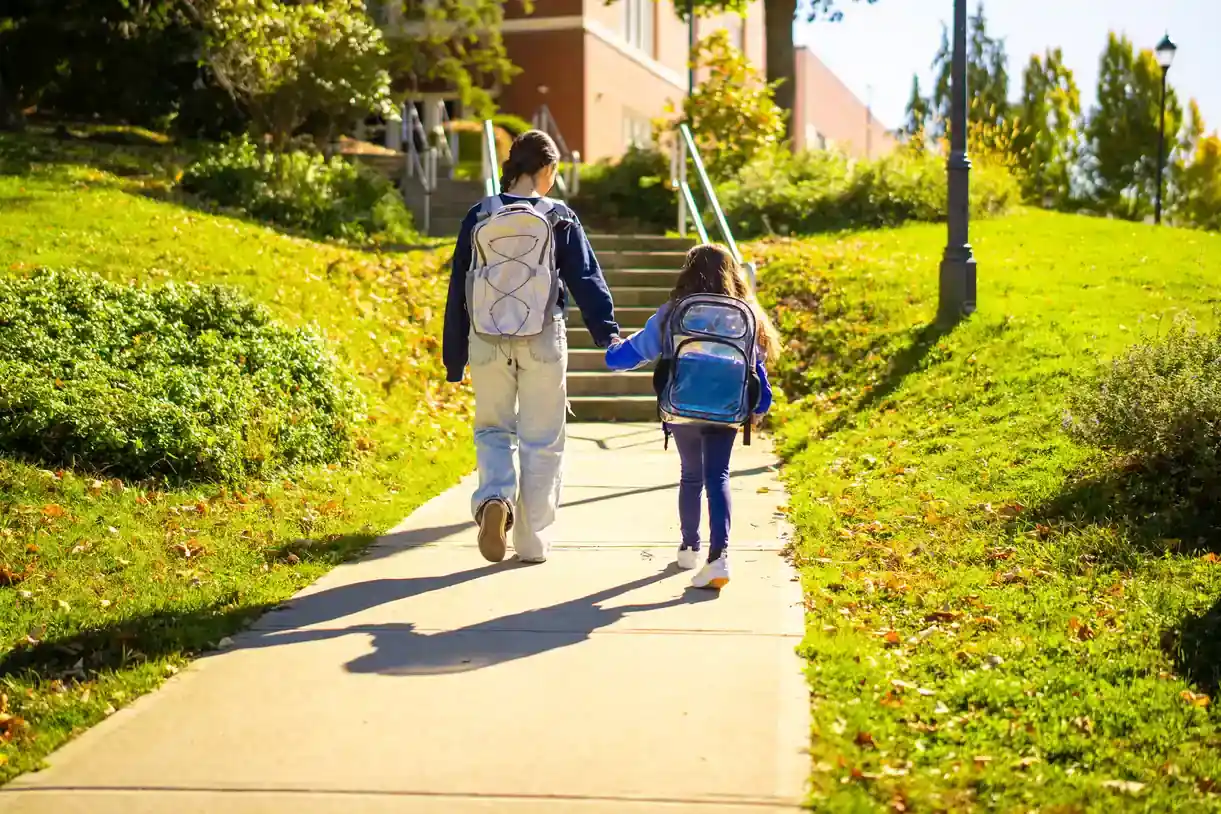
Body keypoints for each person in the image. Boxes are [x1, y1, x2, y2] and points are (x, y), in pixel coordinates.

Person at [444, 130, 619, 565]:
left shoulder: (479, 214)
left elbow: (458, 287)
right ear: (545, 170)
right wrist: (608, 334)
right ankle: (532, 541)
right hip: (542, 335)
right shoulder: (560, 216)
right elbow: (585, 279)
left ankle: (494, 501)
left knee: (492, 430)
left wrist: (454, 358)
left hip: (485, 338)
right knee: (542, 439)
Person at [604, 244, 779, 589]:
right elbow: (758, 372)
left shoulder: (674, 312)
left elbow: (624, 358)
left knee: (690, 475)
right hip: (727, 408)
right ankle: (720, 557)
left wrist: (612, 346)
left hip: (682, 405)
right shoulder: (747, 314)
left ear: (687, 270)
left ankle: (689, 546)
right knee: (719, 476)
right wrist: (758, 409)